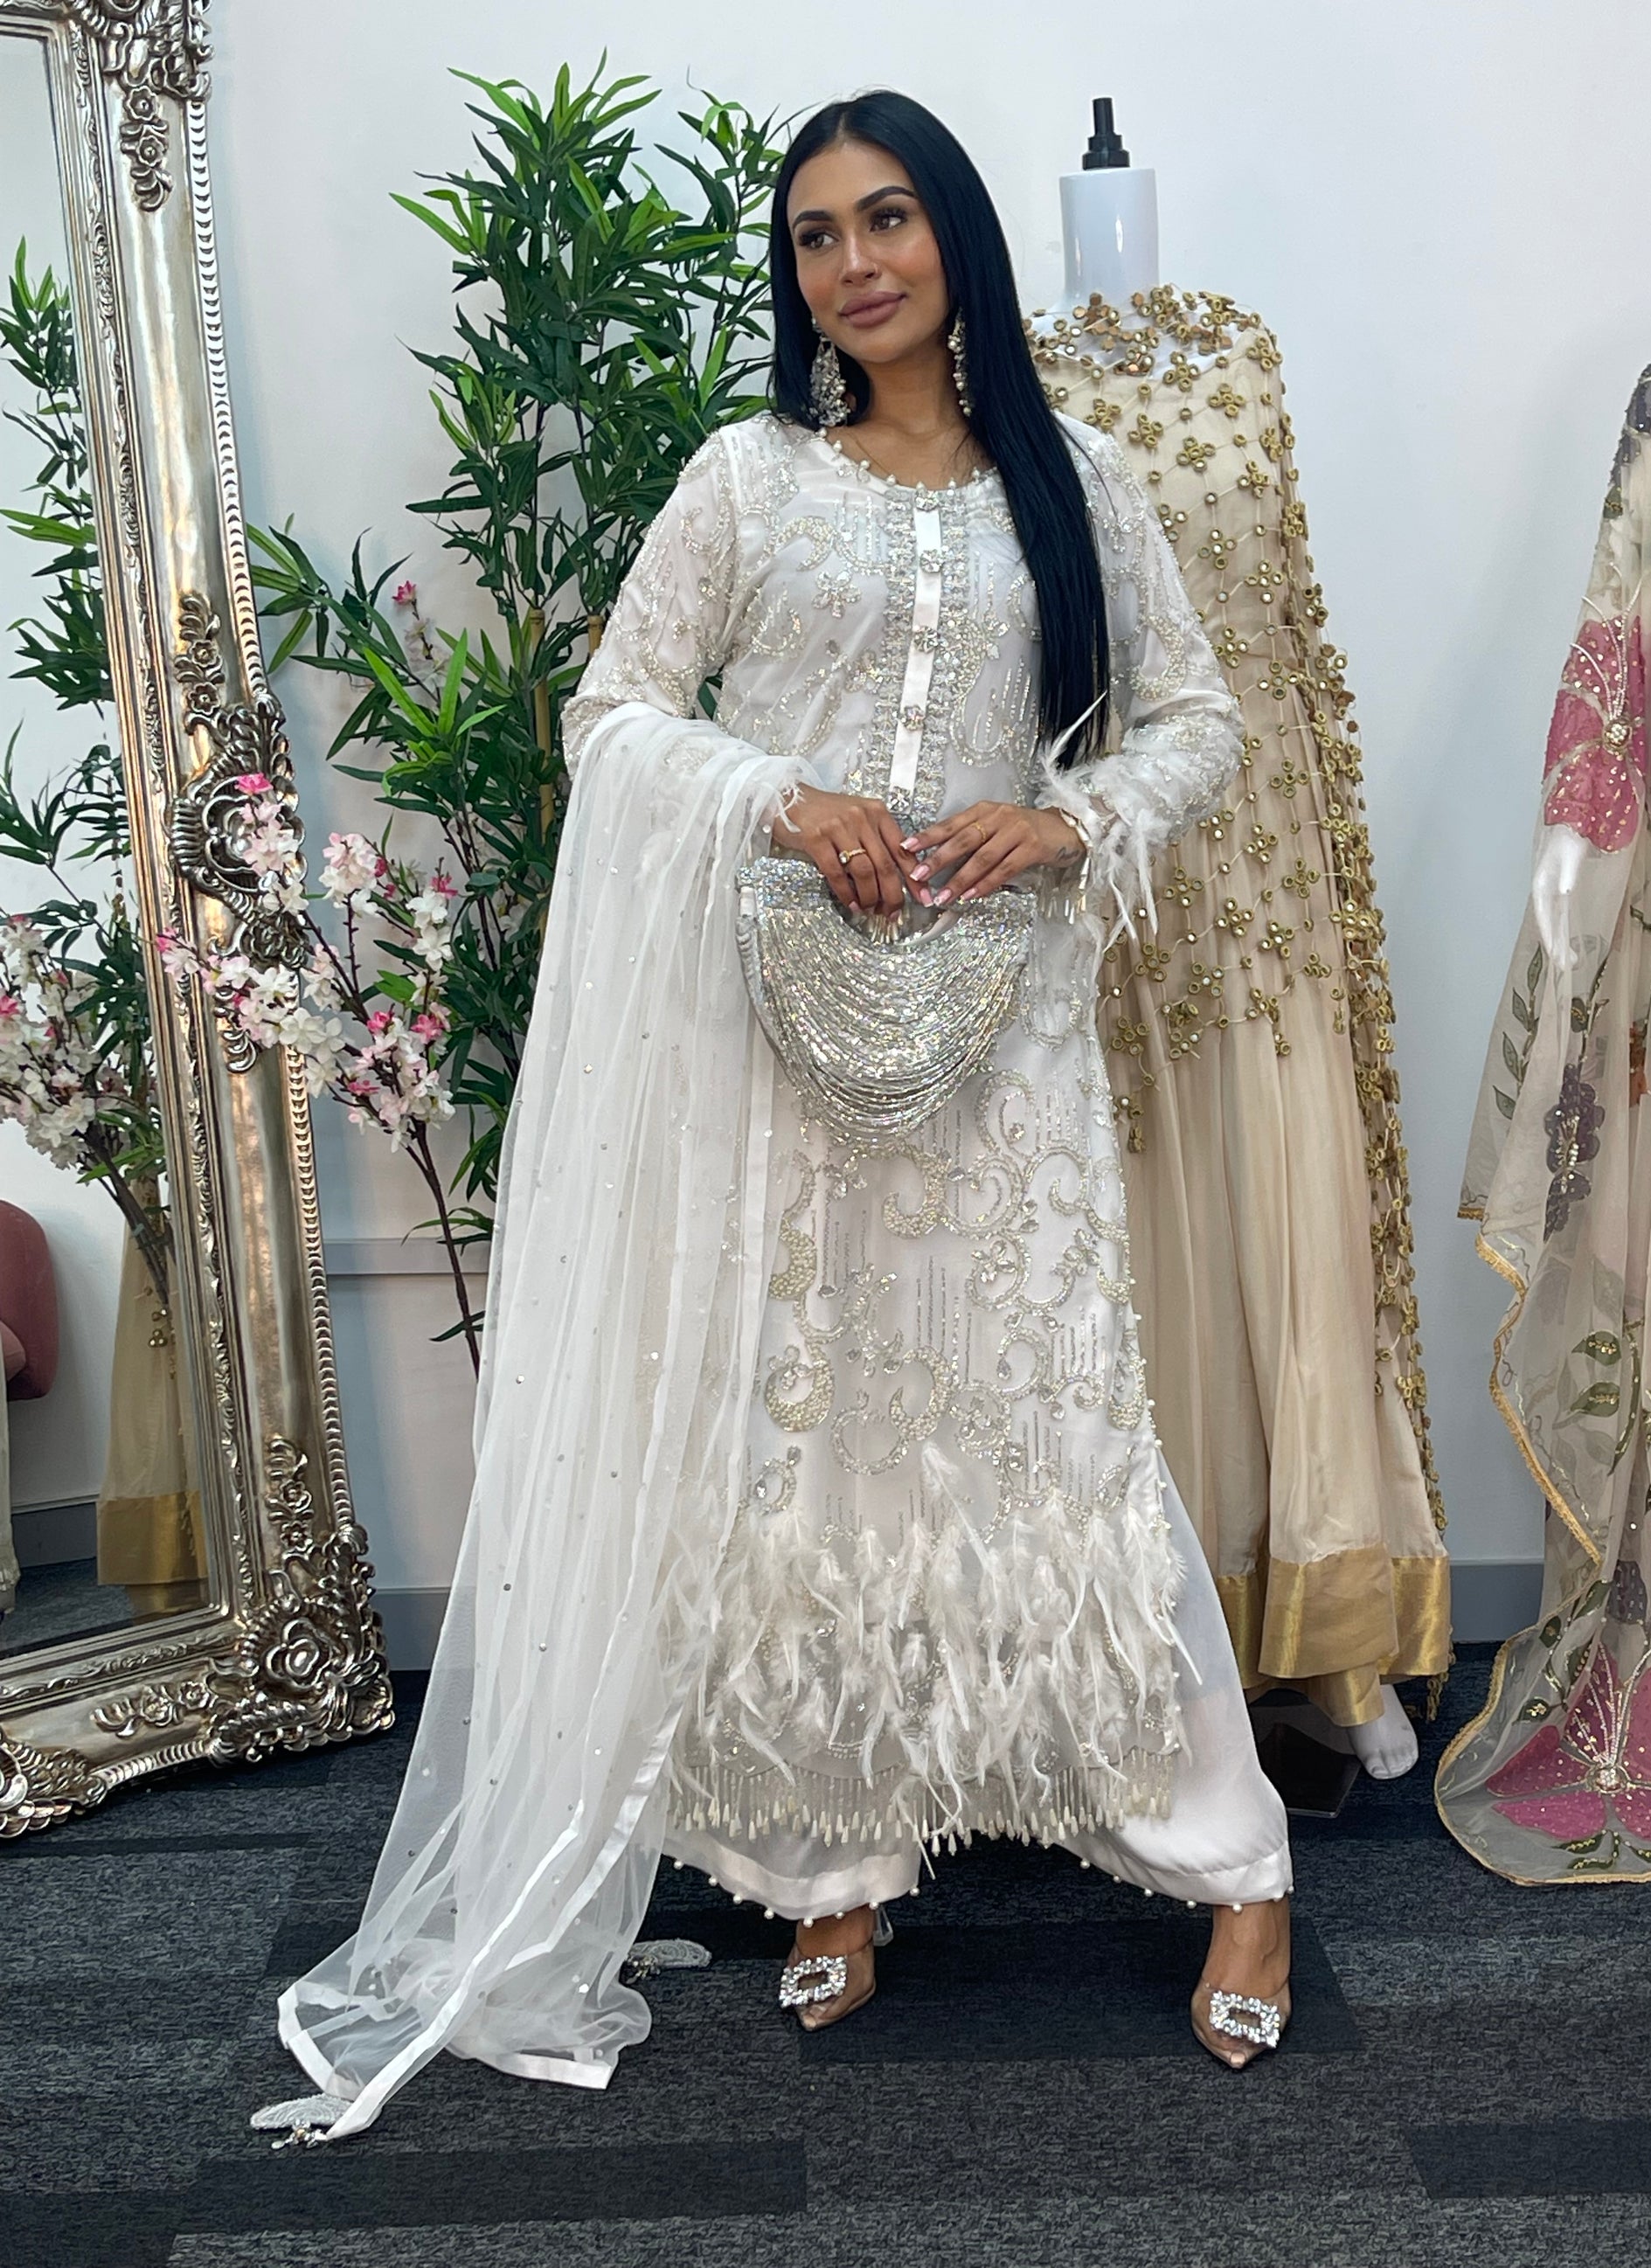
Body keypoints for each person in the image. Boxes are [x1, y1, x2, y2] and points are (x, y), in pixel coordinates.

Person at [270, 89, 1293, 2146]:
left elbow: (1196, 716)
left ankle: (1235, 1870)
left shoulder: (1075, 484)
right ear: (796, 276)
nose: (855, 262)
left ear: (955, 241)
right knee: (811, 1443)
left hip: (1003, 1039)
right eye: (817, 234)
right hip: (786, 1033)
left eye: (888, 217)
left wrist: (1063, 814)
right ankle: (840, 1862)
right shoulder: (746, 479)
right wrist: (777, 795)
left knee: (1058, 1431)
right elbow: (618, 710)